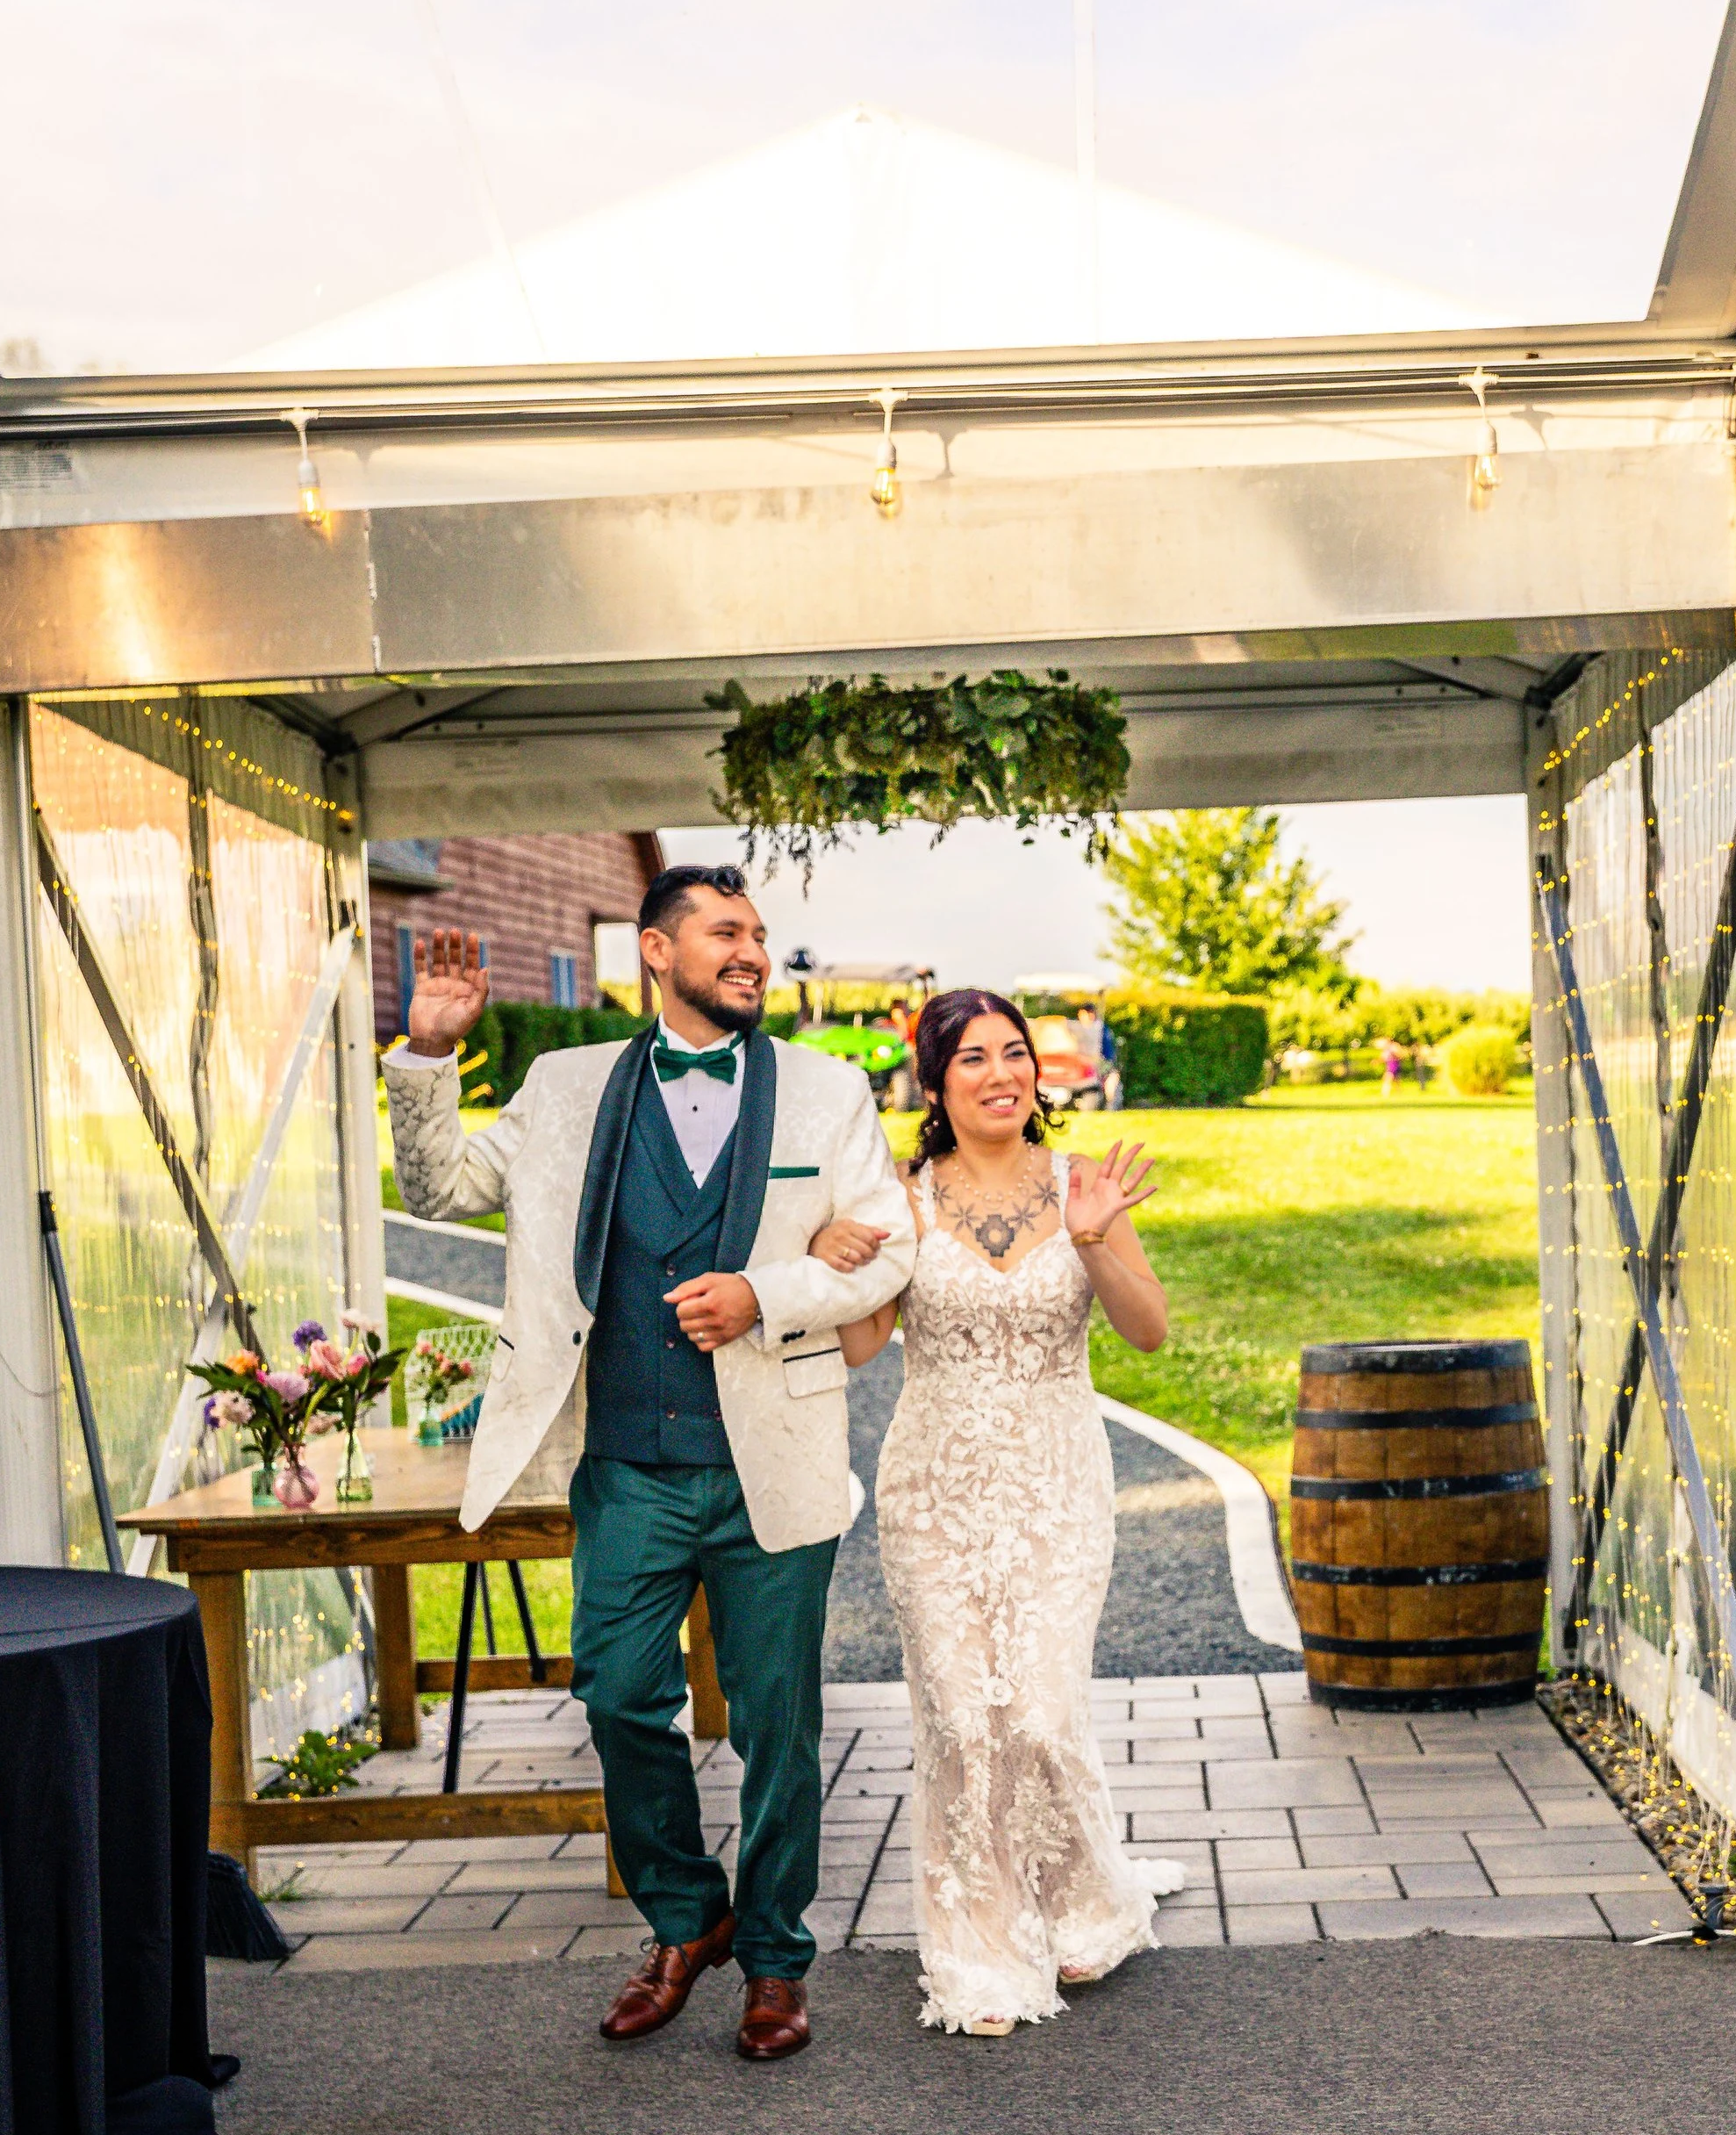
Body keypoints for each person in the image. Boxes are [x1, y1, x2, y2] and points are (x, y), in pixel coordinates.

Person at [384, 869, 915, 2063]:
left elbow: (891, 1248)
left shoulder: (828, 1093)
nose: (752, 953)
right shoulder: (565, 1087)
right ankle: (688, 1914)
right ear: (658, 952)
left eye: (761, 936)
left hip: (771, 1459)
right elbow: (439, 1187)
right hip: (626, 1464)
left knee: (779, 1723)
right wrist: (424, 1052)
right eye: (726, 933)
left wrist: (767, 1292)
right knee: (619, 1693)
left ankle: (776, 1959)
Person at [813, 989, 1180, 2036]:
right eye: (971, 1058)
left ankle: (1079, 1900)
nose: (999, 1073)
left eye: (1013, 1053)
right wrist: (834, 1252)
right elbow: (859, 1348)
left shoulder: (1082, 1186)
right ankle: (977, 1950)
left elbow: (1147, 1332)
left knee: (1043, 1714)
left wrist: (1098, 1239)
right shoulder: (903, 1200)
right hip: (934, 1491)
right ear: (935, 1084)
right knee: (965, 1717)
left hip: (1060, 1485)